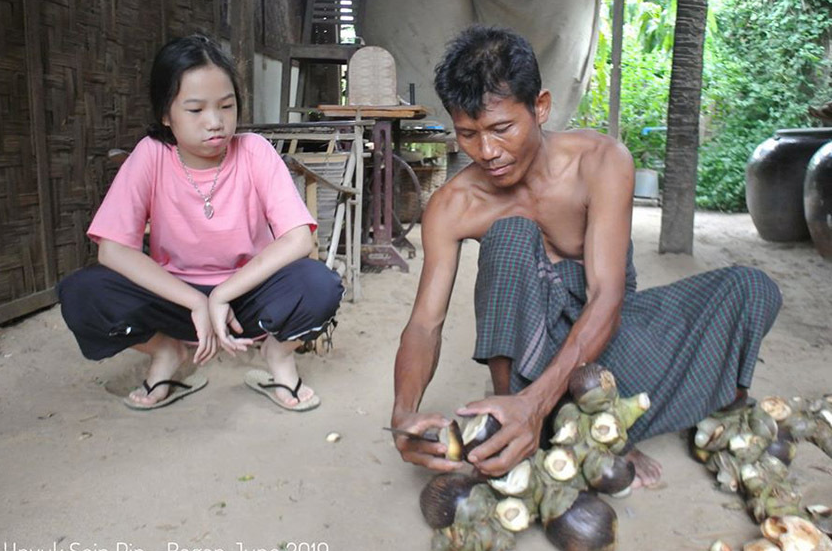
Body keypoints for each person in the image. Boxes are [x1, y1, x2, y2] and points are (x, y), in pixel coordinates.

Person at [390, 25, 782, 484]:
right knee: (510, 237)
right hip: (527, 350)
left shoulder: (601, 161)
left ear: (540, 107)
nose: (487, 152)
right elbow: (424, 323)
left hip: (605, 340)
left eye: (501, 129)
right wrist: (404, 410)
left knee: (750, 290)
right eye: (468, 135)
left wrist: (538, 404)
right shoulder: (454, 205)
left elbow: (607, 300)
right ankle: (515, 421)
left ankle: (560, 419)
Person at [59, 35, 343, 411]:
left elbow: (297, 240)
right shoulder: (151, 156)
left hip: (247, 297)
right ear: (166, 114)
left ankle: (278, 356)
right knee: (81, 293)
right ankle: (167, 352)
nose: (215, 123)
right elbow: (112, 248)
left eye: (226, 106)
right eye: (195, 110)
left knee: (319, 285)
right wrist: (195, 300)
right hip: (175, 297)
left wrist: (224, 294)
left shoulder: (255, 151)